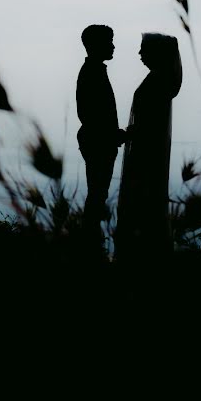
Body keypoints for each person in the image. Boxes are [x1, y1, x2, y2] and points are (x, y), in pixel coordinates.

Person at [116, 33, 182, 261]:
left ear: (156, 53)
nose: (140, 54)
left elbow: (148, 123)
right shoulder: (158, 79)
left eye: (144, 49)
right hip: (148, 151)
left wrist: (127, 133)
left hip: (146, 154)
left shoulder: (157, 81)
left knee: (141, 203)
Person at [76, 25, 126, 246]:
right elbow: (91, 115)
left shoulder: (94, 70)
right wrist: (114, 135)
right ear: (96, 45)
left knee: (98, 194)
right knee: (97, 195)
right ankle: (90, 243)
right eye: (109, 41)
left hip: (97, 140)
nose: (113, 46)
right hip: (98, 143)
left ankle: (90, 241)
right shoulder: (92, 73)